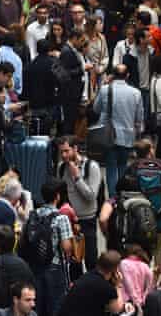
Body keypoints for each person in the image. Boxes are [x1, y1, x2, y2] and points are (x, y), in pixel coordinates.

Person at [24, 179, 74, 316]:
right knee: (56, 302)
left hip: (34, 265)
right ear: (57, 196)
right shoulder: (61, 218)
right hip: (55, 266)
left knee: (37, 301)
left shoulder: (33, 214)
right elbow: (66, 247)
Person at [51, 251, 126, 316]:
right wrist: (118, 285)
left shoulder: (87, 276)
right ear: (115, 270)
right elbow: (116, 309)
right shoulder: (105, 287)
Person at [92, 65, 145, 196]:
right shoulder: (136, 93)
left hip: (108, 136)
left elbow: (95, 109)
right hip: (127, 136)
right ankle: (122, 195)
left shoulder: (105, 90)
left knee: (110, 167)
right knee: (123, 165)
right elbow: (139, 118)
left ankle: (112, 199)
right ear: (127, 76)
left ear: (112, 75)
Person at [57, 136, 102, 272]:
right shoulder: (61, 168)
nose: (64, 155)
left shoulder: (91, 167)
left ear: (75, 148)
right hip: (69, 221)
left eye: (66, 151)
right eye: (61, 152)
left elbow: (90, 196)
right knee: (73, 264)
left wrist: (77, 177)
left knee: (91, 260)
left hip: (87, 219)